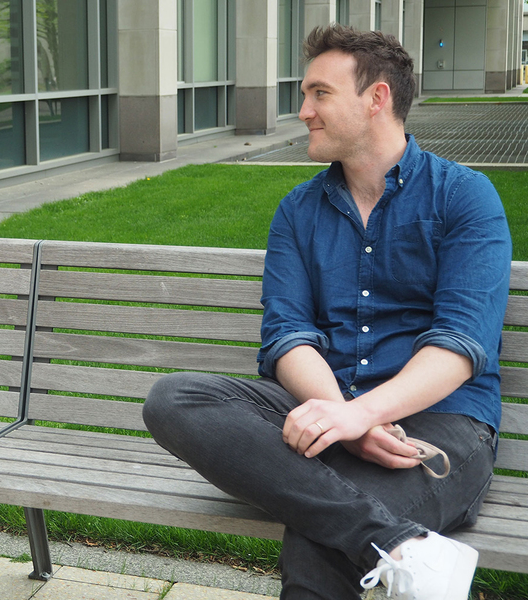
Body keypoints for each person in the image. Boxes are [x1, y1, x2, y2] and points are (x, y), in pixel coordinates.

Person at [143, 25, 511, 600]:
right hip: (326, 408)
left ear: (377, 98)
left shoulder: (464, 197)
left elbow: (460, 346)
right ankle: (403, 547)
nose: (303, 110)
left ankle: (381, 538)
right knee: (175, 399)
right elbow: (287, 335)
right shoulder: (298, 210)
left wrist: (359, 417)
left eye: (319, 93)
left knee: (316, 543)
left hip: (443, 425)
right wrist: (345, 418)